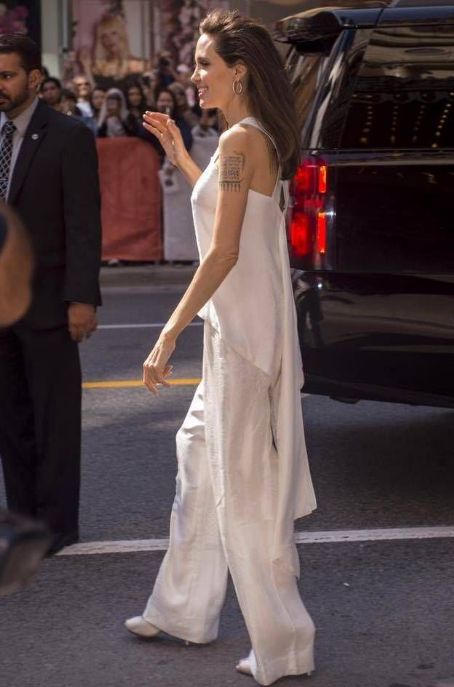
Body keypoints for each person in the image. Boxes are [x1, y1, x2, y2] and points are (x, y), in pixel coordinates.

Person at [125, 8, 317, 686]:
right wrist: (179, 154)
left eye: (205, 63)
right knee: (199, 462)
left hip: (241, 340)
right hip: (236, 333)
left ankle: (284, 643)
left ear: (240, 71)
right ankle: (183, 608)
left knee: (244, 492)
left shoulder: (242, 142)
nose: (194, 73)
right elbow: (226, 214)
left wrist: (168, 329)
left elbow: (225, 250)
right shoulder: (245, 140)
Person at [0, 34, 102, 557]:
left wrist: (82, 298)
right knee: (10, 424)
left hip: (48, 304)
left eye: (7, 76)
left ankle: (58, 526)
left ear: (34, 79)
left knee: (54, 421)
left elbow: (84, 224)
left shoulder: (68, 136)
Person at [78, 13, 151, 93]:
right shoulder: (98, 68)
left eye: (113, 33)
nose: (109, 39)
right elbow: (96, 96)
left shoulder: (141, 65)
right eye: (104, 36)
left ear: (122, 35)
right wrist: (86, 67)